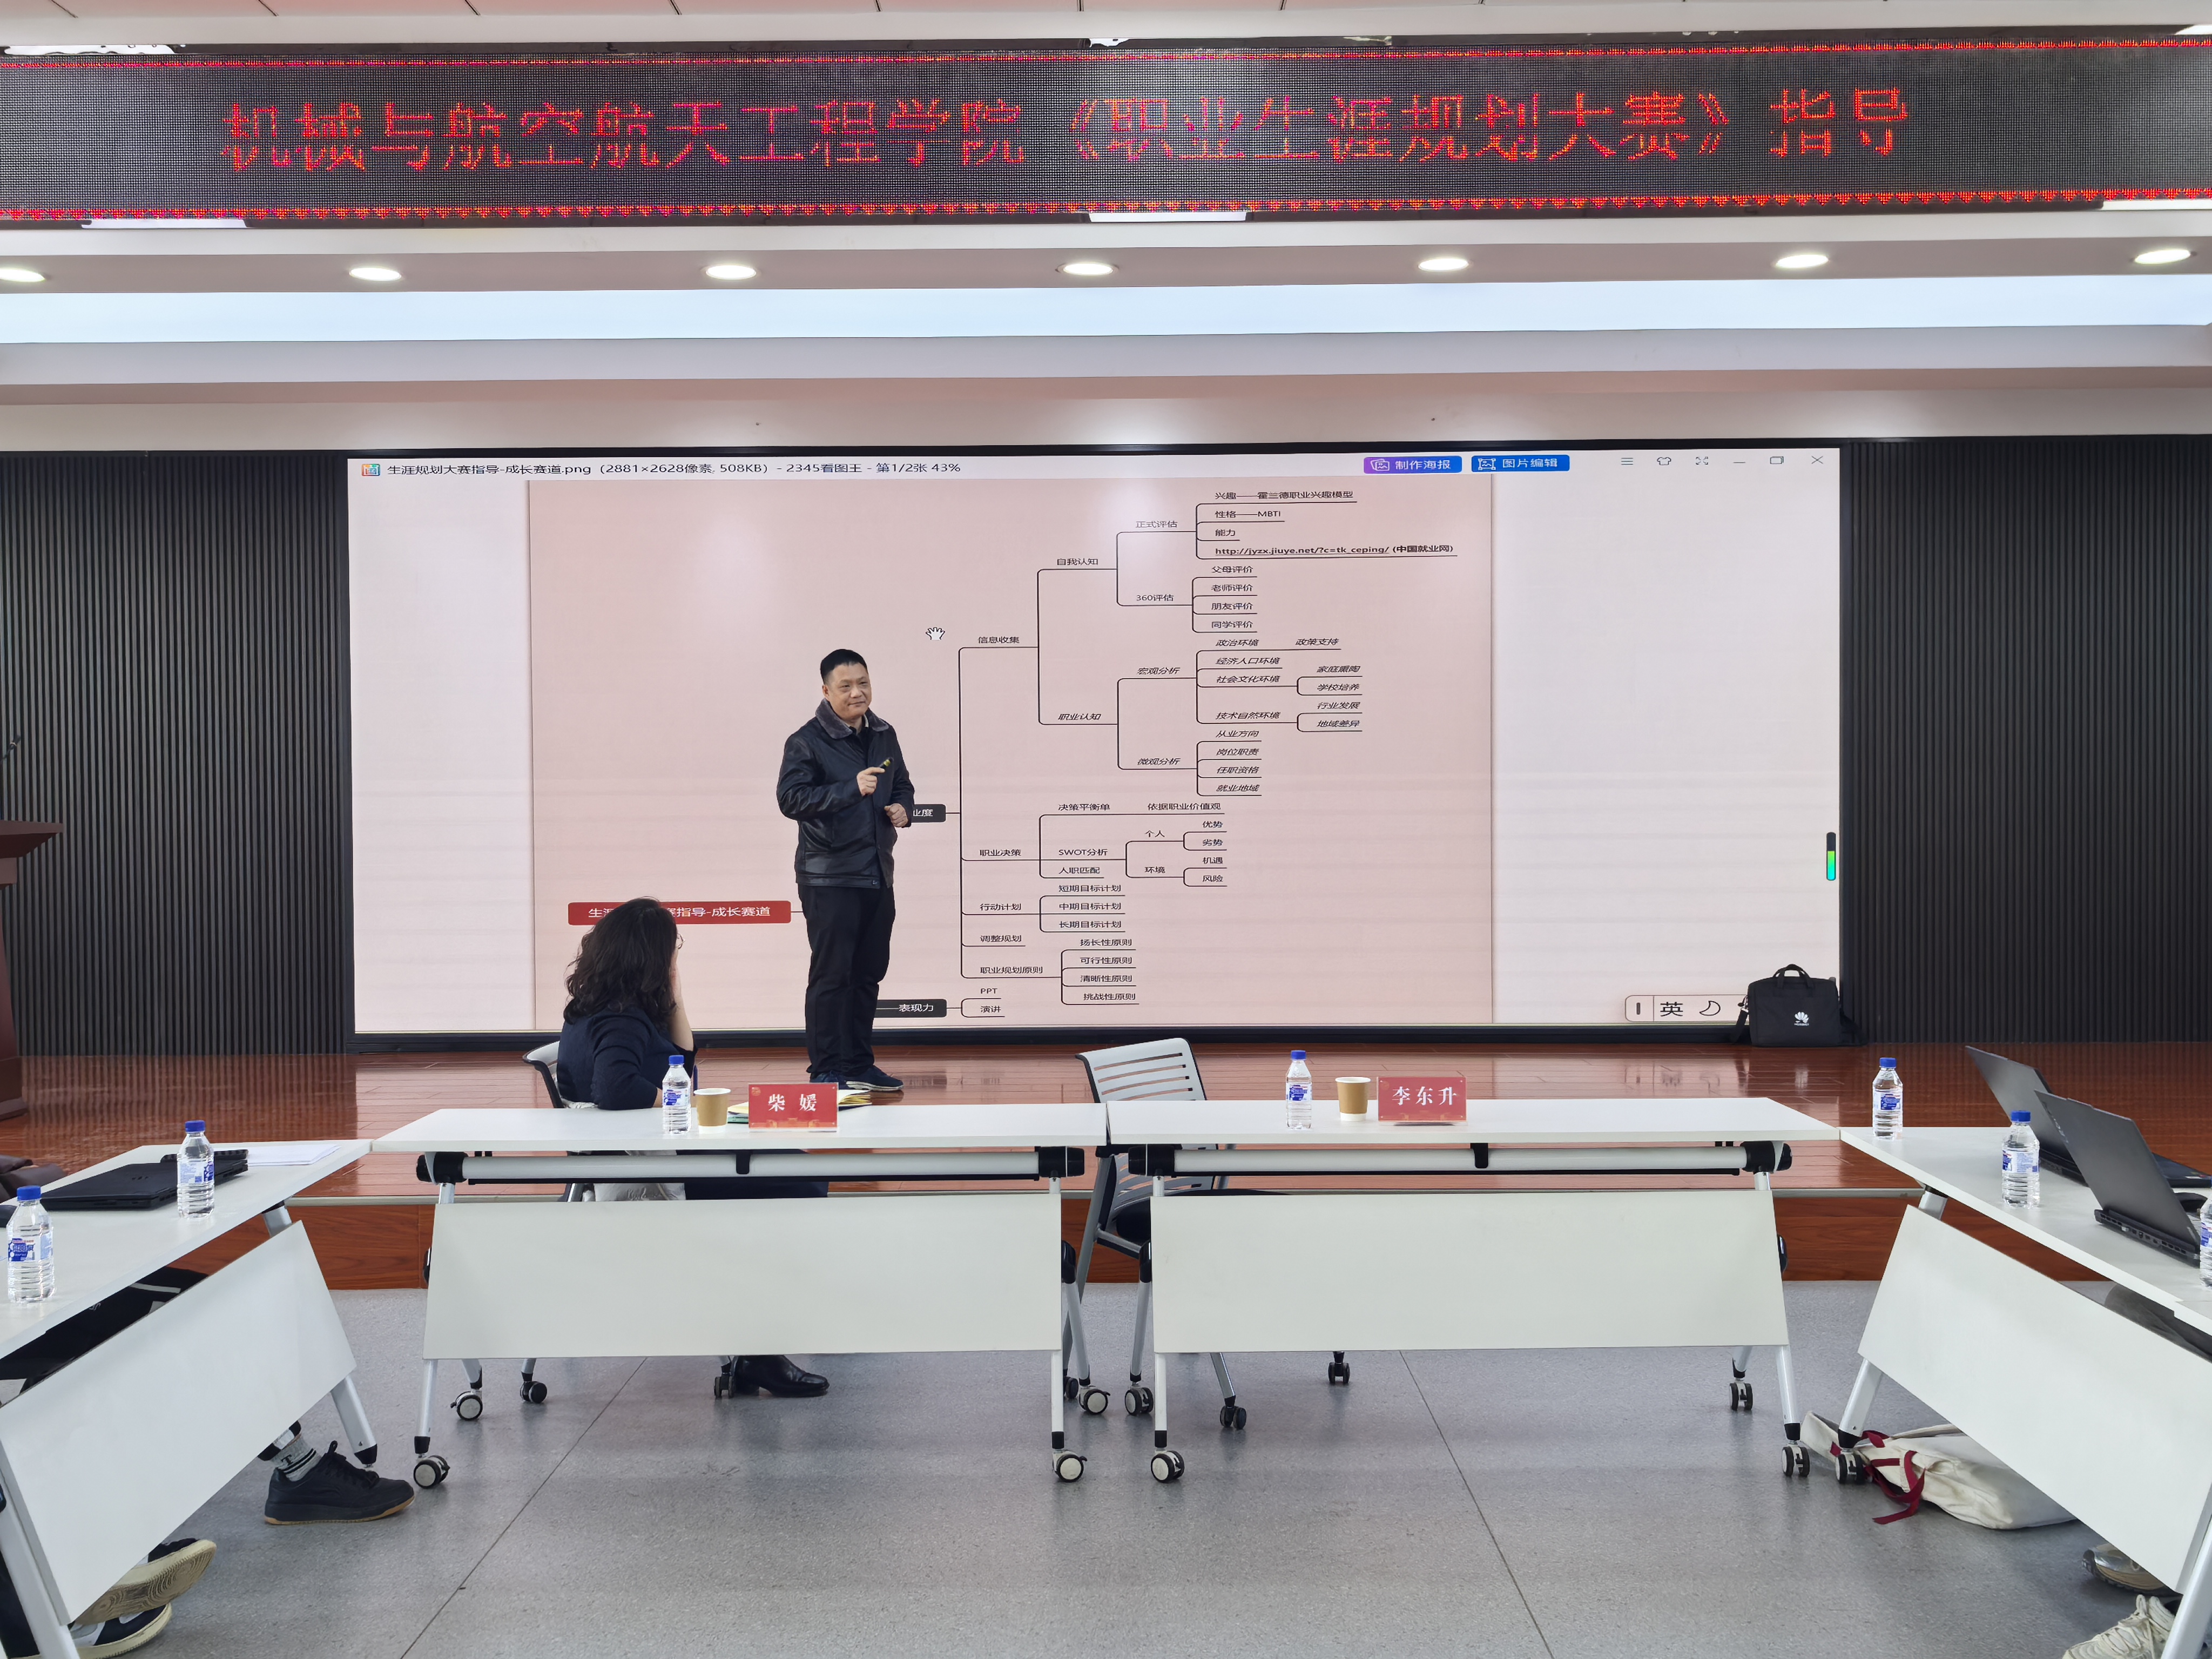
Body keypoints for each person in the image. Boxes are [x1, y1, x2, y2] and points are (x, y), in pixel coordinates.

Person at [555, 896, 829, 1398]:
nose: (676, 956)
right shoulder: (620, 1019)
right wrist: (681, 1101)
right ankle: (759, 1347)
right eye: (672, 949)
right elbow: (614, 1089)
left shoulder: (607, 1008)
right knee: (800, 1180)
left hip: (658, 1154)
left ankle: (757, 1337)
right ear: (650, 956)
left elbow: (682, 1055)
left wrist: (675, 994)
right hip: (652, 1172)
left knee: (793, 1170)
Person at [775, 649, 915, 1094]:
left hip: (877, 871)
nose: (858, 693)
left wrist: (904, 808)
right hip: (829, 876)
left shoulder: (884, 733)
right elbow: (791, 800)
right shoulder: (806, 741)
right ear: (826, 691)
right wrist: (849, 789)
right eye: (846, 686)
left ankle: (858, 1063)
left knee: (868, 974)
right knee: (832, 976)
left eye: (864, 683)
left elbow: (903, 783)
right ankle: (826, 1069)